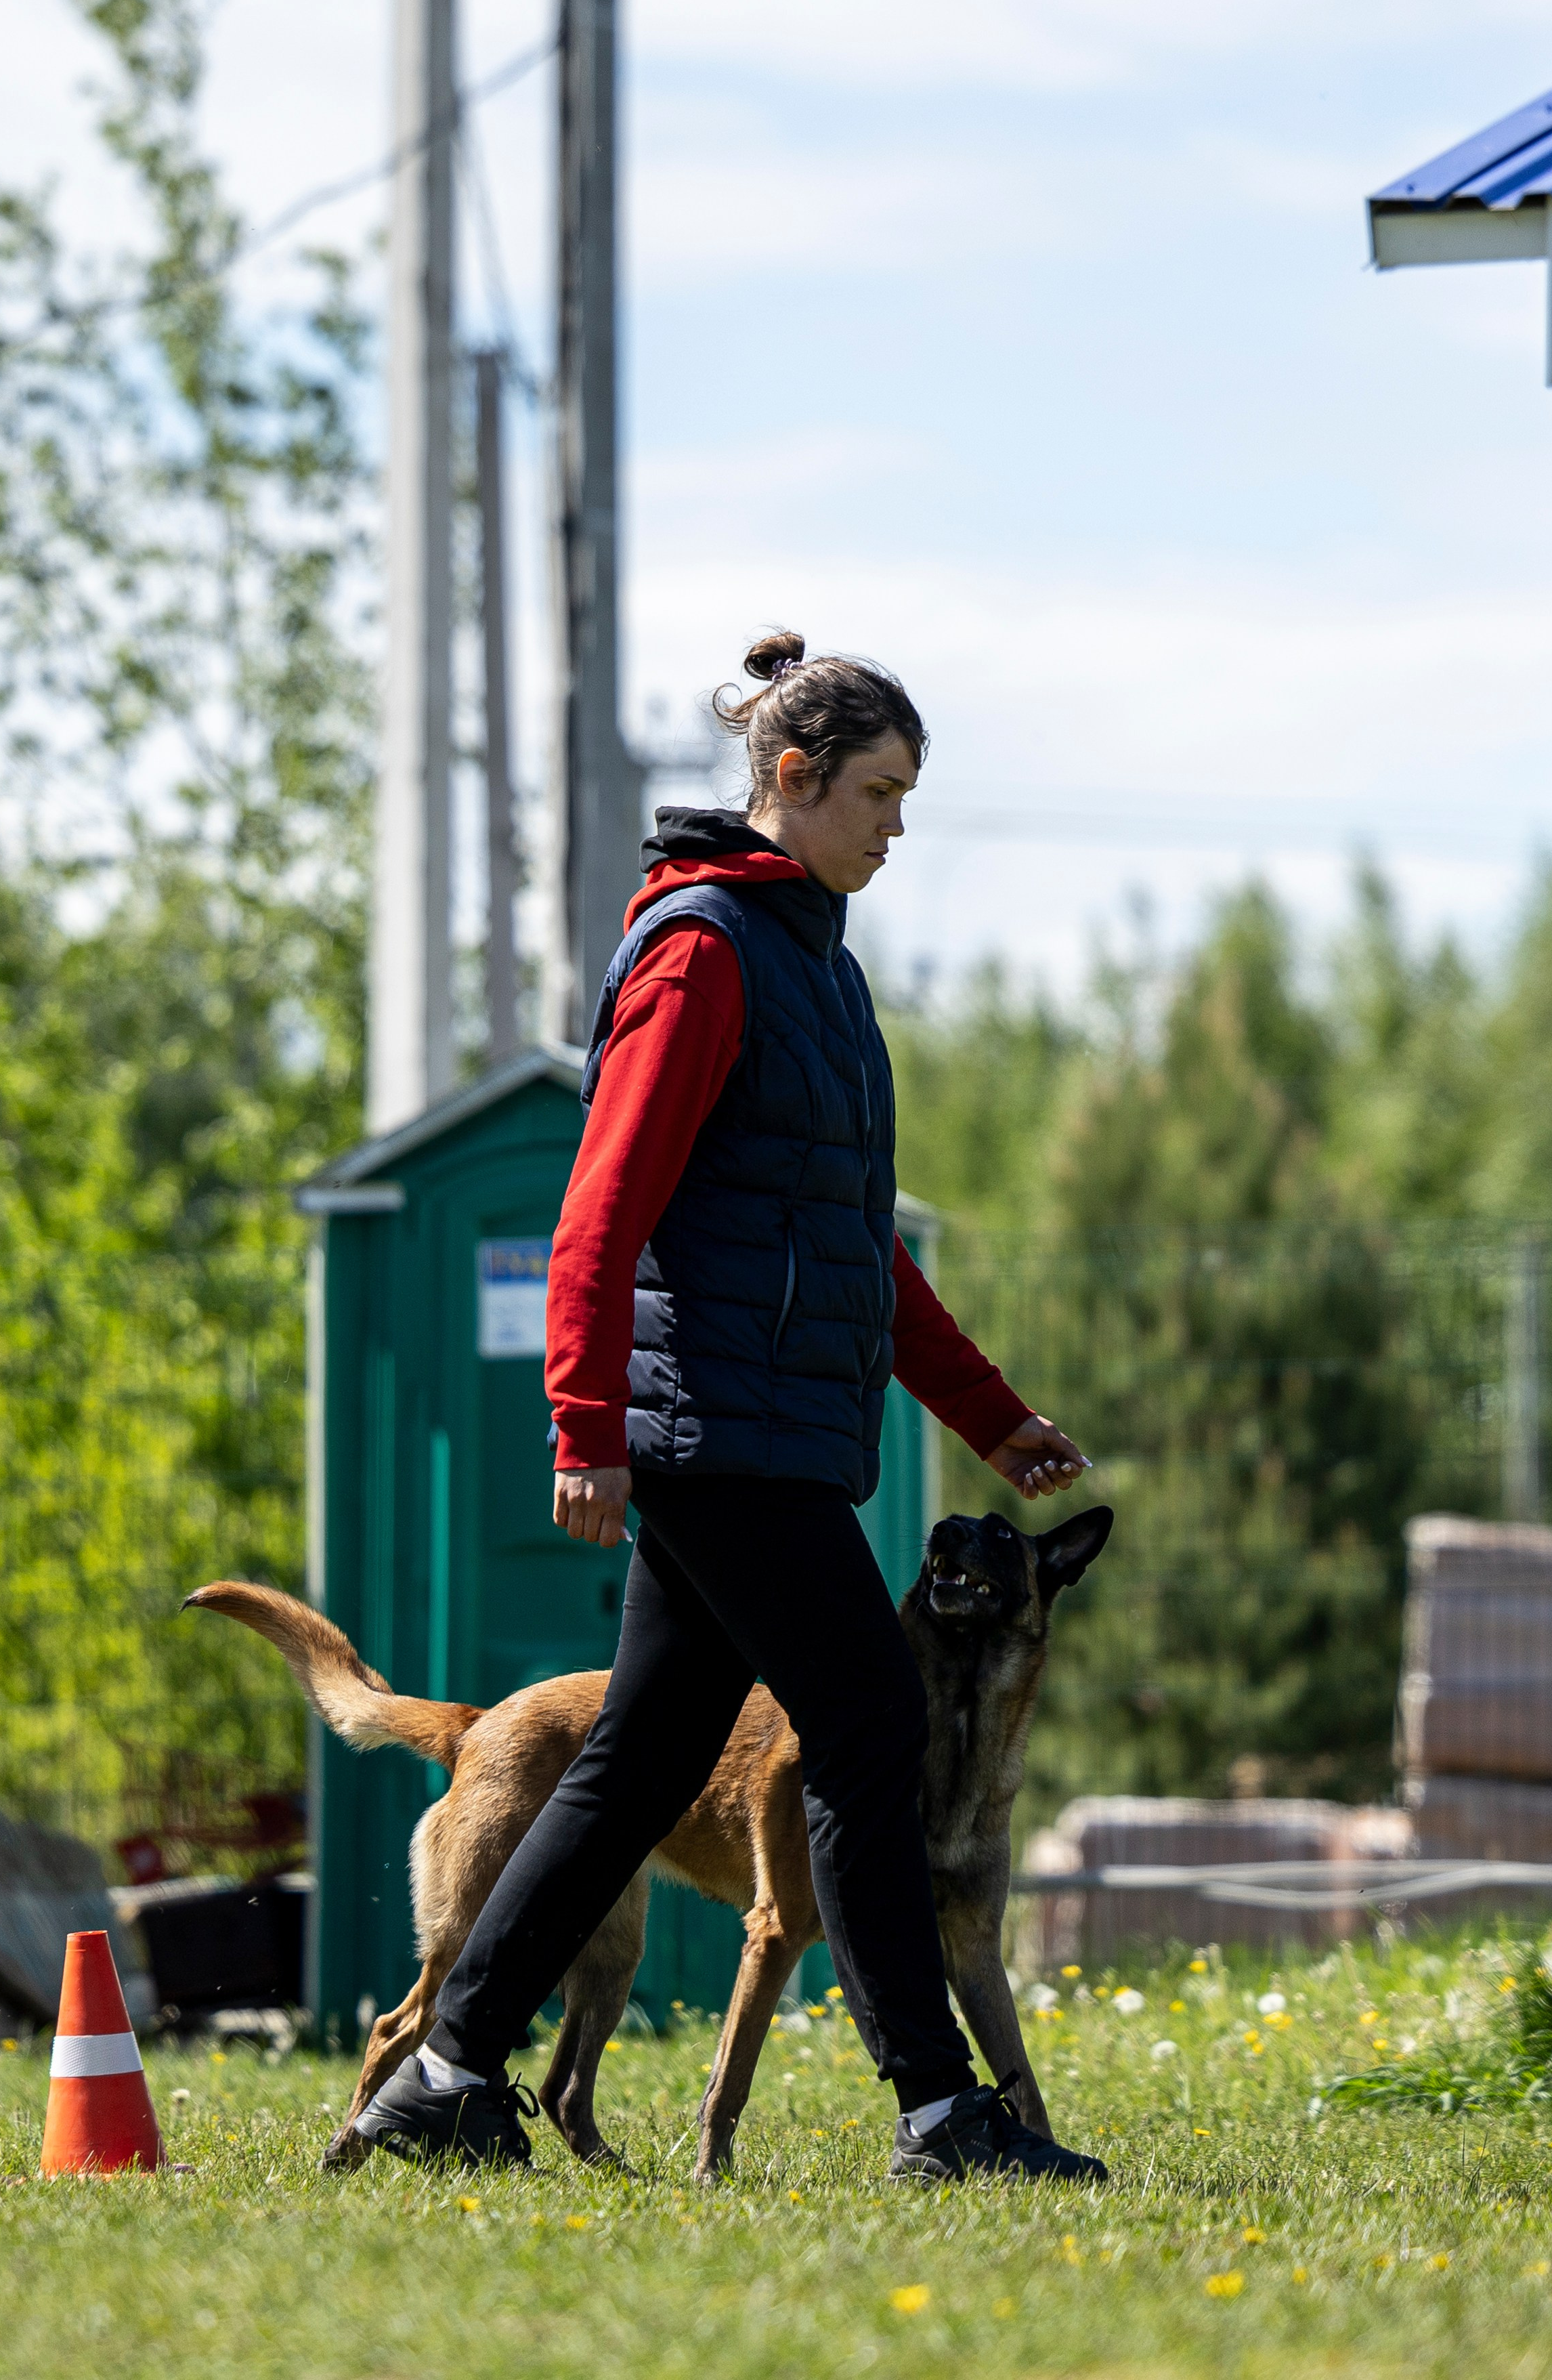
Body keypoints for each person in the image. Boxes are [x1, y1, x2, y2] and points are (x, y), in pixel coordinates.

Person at [349, 632, 1104, 2184]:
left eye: (906, 795)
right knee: (873, 1716)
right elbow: (600, 1206)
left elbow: (857, 1249)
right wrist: (584, 1424)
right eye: (877, 792)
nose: (896, 824)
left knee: (639, 1760)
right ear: (792, 776)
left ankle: (445, 2074)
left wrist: (987, 1415)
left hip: (768, 1427)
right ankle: (939, 2110)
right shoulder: (702, 953)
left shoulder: (819, 966)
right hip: (714, 1426)